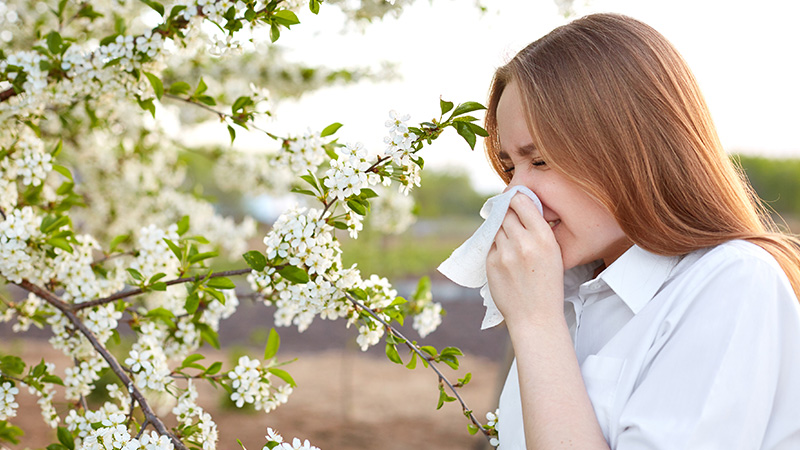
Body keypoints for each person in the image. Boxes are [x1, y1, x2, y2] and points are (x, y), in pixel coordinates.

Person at [483, 13, 800, 450]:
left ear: (628, 149)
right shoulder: (565, 295)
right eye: (508, 166)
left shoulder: (732, 283)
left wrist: (537, 326)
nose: (516, 194)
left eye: (539, 161)